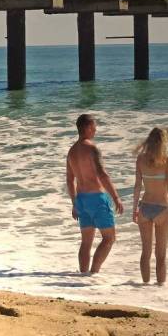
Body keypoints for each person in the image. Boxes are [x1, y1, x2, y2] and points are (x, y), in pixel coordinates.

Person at [66, 113, 123, 274]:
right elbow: (102, 174)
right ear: (87, 127)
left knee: (86, 242)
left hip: (81, 200)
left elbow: (70, 181)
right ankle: (93, 273)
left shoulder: (71, 151)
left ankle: (83, 274)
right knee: (109, 238)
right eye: (94, 126)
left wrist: (74, 203)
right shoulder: (92, 148)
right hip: (97, 198)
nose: (96, 129)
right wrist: (116, 197)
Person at [130, 126, 168, 285]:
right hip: (162, 209)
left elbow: (137, 187)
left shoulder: (140, 159)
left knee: (145, 253)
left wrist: (134, 210)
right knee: (161, 255)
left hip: (145, 208)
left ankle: (144, 288)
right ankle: (160, 289)